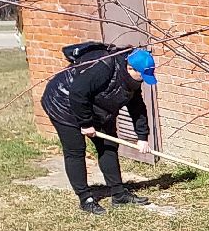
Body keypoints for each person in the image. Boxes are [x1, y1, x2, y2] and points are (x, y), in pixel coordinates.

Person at [39, 42, 155, 215]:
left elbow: (137, 108)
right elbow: (78, 93)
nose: (143, 80)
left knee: (108, 146)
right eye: (142, 76)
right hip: (63, 102)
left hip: (95, 108)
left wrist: (142, 137)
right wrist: (86, 124)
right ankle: (85, 198)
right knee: (75, 150)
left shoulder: (133, 80)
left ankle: (118, 194)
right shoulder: (104, 67)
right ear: (130, 68)